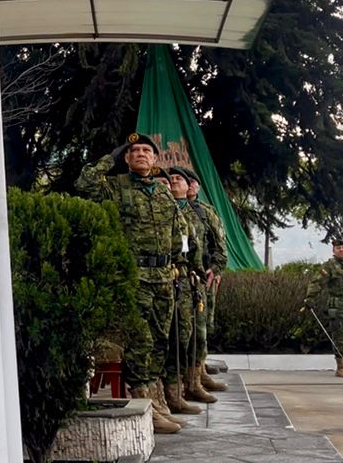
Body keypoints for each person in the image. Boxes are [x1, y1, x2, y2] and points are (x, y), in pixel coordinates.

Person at [76, 133, 190, 434]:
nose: (140, 154)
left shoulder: (163, 192)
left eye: (146, 151)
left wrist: (181, 264)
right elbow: (85, 184)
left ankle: (158, 403)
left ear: (155, 159)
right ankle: (143, 405)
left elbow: (179, 231)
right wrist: (110, 158)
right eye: (134, 151)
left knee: (161, 341)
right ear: (127, 158)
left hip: (163, 277)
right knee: (141, 342)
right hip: (134, 277)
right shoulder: (115, 187)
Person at [166, 167, 211, 409]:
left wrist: (205, 273)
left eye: (179, 179)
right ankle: (170, 392)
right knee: (168, 339)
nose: (174, 182)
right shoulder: (163, 207)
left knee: (191, 335)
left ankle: (190, 384)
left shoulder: (200, 213)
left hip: (187, 280)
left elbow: (201, 247)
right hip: (161, 278)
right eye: (170, 179)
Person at [183, 168, 229, 392]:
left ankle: (199, 371)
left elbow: (220, 245)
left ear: (198, 187)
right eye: (187, 181)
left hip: (203, 277)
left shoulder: (206, 212)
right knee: (187, 328)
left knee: (202, 325)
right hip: (182, 274)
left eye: (194, 182)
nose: (190, 185)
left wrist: (215, 269)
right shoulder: (172, 208)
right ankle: (190, 376)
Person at [304, 239, 343, 378]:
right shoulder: (329, 266)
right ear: (334, 251)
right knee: (340, 336)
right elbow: (317, 282)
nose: (341, 250)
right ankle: (341, 367)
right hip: (338, 306)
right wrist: (310, 298)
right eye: (338, 248)